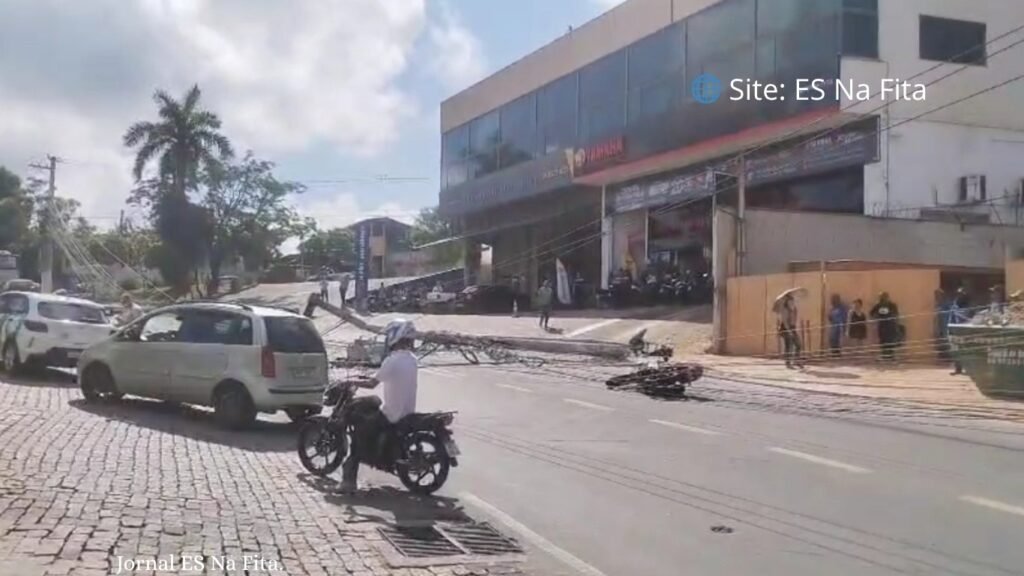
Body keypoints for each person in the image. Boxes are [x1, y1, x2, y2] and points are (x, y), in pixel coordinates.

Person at [339, 319, 419, 493]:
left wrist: (351, 381)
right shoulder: (412, 359)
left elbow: (372, 384)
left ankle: (348, 482)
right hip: (407, 412)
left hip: (391, 414)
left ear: (395, 336)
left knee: (359, 433)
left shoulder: (392, 360)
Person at [949, 290, 973, 375]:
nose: (959, 297)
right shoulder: (954, 307)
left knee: (965, 351)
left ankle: (968, 369)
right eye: (958, 295)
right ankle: (957, 369)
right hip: (955, 332)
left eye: (961, 295)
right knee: (955, 351)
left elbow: (970, 319)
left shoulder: (969, 308)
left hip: (965, 332)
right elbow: (951, 320)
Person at [871, 292, 900, 361]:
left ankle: (891, 356)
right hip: (882, 326)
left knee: (890, 341)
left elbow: (896, 314)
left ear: (887, 297)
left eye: (884, 297)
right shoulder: (878, 305)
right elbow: (872, 313)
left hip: (890, 326)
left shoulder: (892, 305)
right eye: (881, 297)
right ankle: (884, 356)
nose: (883, 299)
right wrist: (877, 316)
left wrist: (894, 321)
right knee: (882, 341)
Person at [777, 295, 802, 368]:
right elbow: (784, 322)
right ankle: (788, 362)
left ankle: (796, 360)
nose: (792, 302)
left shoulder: (794, 309)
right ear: (787, 302)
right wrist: (789, 331)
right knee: (789, 345)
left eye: (792, 301)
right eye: (790, 301)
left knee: (798, 344)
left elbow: (794, 320)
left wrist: (794, 328)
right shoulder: (784, 310)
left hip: (792, 327)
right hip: (785, 328)